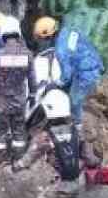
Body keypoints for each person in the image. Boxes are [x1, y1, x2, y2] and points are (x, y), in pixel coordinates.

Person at [14, 85, 84, 198]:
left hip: (60, 185)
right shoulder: (76, 131)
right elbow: (90, 158)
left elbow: (27, 160)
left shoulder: (45, 137)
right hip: (78, 181)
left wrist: (15, 166)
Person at [32, 16, 103, 166]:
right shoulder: (67, 32)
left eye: (42, 39)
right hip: (92, 64)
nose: (42, 43)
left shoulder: (61, 49)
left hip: (85, 75)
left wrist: (54, 85)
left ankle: (78, 140)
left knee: (72, 105)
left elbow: (67, 74)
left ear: (48, 36)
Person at [0, 15, 33, 152]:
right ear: (18, 33)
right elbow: (32, 79)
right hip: (19, 101)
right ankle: (18, 157)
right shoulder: (28, 55)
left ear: (3, 34)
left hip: (1, 102)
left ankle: (0, 157)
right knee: (19, 132)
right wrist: (33, 94)